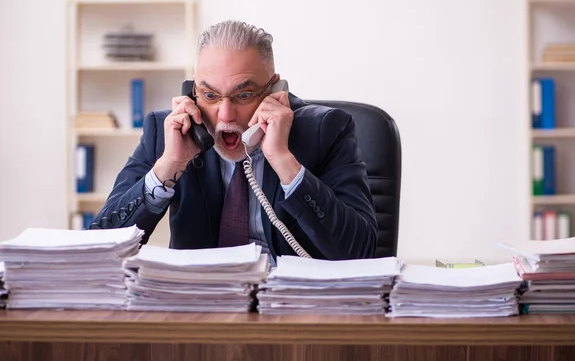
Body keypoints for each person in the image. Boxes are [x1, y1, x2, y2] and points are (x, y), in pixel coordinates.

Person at [91, 20, 378, 261]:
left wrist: (284, 163)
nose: (225, 114)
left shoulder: (326, 131)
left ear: (275, 88)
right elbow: (100, 248)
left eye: (243, 95)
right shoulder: (166, 133)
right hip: (203, 311)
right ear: (193, 92)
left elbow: (361, 252)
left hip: (292, 312)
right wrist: (168, 167)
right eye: (210, 95)